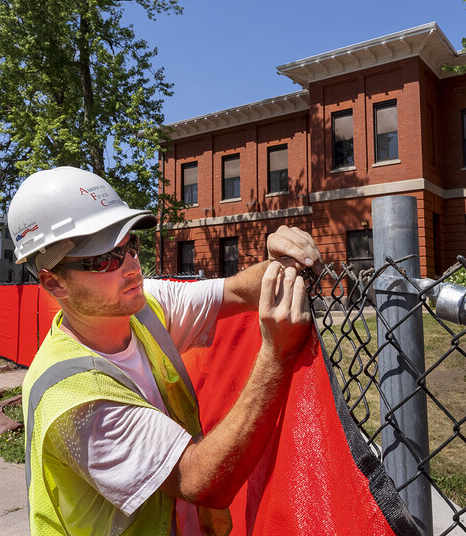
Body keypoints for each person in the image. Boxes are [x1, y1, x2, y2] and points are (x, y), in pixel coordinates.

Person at [9, 166, 323, 535]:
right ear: (54, 282)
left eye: (130, 246)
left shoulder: (142, 305)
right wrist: (276, 356)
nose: (131, 268)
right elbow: (199, 480)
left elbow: (237, 291)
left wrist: (282, 265)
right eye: (104, 259)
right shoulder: (74, 399)